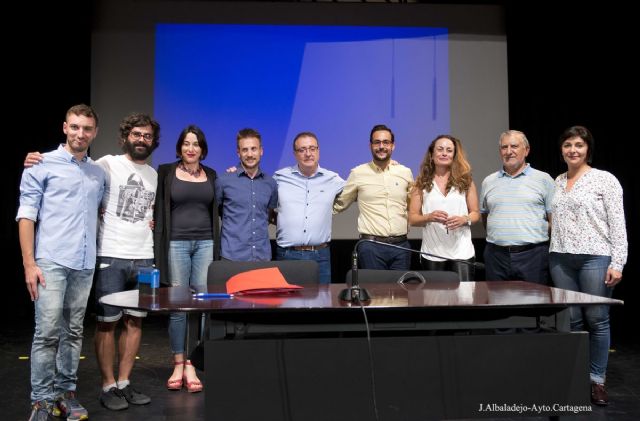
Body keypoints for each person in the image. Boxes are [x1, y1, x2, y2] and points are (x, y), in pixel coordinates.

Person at [24, 112, 160, 411]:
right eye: (136, 134)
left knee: (134, 322)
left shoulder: (153, 175)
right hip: (109, 254)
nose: (141, 140)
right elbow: (73, 179)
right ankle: (105, 385)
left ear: (153, 141)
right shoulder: (105, 165)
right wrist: (37, 159)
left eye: (147, 136)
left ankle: (123, 382)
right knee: (105, 324)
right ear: (125, 136)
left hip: (144, 256)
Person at [18, 104, 105, 421]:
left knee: (72, 332)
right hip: (51, 261)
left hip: (84, 264)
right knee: (47, 333)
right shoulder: (41, 164)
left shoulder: (98, 173)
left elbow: (101, 212)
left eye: (87, 128)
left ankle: (66, 394)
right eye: (75, 127)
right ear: (65, 128)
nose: (80, 133)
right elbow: (26, 216)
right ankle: (40, 401)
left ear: (94, 132)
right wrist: (29, 263)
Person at [548, 126, 627, 406]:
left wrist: (617, 262)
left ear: (587, 149)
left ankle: (597, 380)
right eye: (568, 145)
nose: (573, 150)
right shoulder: (556, 182)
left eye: (579, 145)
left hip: (595, 257)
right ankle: (576, 376)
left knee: (597, 319)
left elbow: (618, 222)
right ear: (561, 150)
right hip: (560, 258)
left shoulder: (604, 180)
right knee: (573, 320)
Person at [154, 125, 220, 393]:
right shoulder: (166, 172)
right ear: (180, 147)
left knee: (201, 305)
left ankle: (192, 362)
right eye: (186, 143)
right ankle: (178, 362)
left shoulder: (213, 175)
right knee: (179, 305)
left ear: (202, 149)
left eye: (195, 144)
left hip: (206, 243)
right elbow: (156, 202)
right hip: (176, 244)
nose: (190, 148)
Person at [480, 130, 555, 284]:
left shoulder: (544, 179)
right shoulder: (488, 181)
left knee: (534, 305)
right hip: (496, 256)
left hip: (533, 256)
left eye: (514, 146)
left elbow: (554, 221)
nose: (509, 151)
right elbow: (485, 217)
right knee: (497, 304)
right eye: (504, 147)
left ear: (526, 150)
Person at [334, 124, 414, 270]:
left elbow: (412, 206)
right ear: (370, 146)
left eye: (386, 142)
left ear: (393, 146)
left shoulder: (405, 172)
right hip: (371, 247)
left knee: (401, 292)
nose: (381, 146)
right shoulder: (358, 173)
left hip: (402, 246)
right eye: (377, 142)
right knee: (374, 292)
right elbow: (340, 204)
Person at [273, 132, 345, 284]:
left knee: (322, 304)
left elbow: (360, 188)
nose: (308, 154)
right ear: (295, 153)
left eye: (312, 148)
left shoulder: (333, 179)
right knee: (287, 306)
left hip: (320, 256)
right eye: (302, 149)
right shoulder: (279, 178)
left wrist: (389, 164)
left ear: (318, 151)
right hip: (287, 255)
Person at [408, 135, 479, 281]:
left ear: (454, 155)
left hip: (462, 252)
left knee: (464, 299)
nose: (444, 153)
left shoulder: (466, 181)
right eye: (440, 149)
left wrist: (464, 219)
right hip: (433, 252)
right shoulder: (420, 183)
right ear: (432, 155)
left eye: (449, 150)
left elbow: (476, 213)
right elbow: (413, 218)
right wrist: (429, 217)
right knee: (434, 300)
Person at [215, 128, 278, 261]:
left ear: (261, 151)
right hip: (231, 257)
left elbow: (267, 215)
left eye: (253, 149)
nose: (249, 154)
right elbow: (220, 212)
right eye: (245, 150)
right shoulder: (224, 181)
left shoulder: (271, 183)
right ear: (238, 153)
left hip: (262, 256)